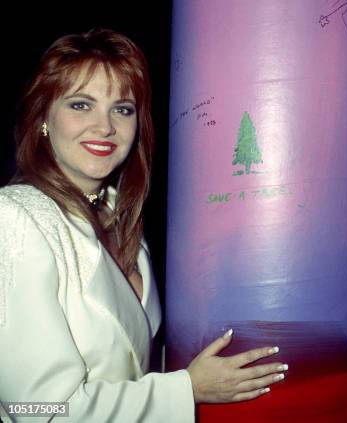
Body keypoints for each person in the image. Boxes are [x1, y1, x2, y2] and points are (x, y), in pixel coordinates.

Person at [0, 28, 286, 422]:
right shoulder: (15, 218)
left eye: (122, 109)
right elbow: (35, 410)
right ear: (43, 118)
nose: (104, 127)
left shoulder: (121, 216)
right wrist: (186, 389)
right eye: (81, 105)